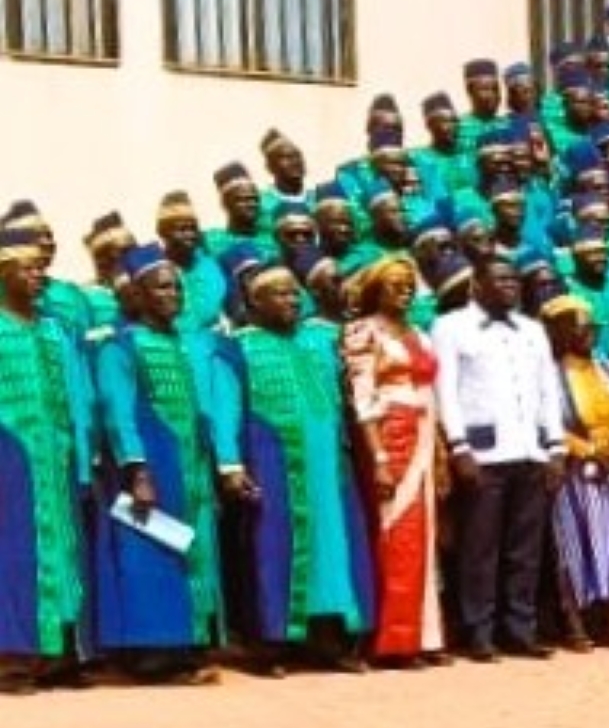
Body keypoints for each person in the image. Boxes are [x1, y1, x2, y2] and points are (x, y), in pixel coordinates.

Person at [211, 263, 374, 672]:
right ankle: (272, 647)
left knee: (333, 551)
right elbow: (224, 409)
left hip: (328, 465)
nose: (291, 300)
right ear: (255, 302)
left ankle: (329, 642)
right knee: (272, 552)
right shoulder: (237, 347)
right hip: (272, 461)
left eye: (294, 293)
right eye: (280, 293)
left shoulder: (319, 340)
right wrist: (230, 465)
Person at [89, 245, 223, 681]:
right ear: (140, 295)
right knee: (150, 552)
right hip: (150, 465)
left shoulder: (181, 342)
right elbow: (118, 412)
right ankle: (151, 654)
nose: (173, 295)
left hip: (188, 463)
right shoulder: (121, 346)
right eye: (162, 288)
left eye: (177, 287)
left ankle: (185, 645)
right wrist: (137, 470)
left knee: (189, 547)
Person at [433, 253, 565, 659]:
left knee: (524, 550)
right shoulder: (450, 327)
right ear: (477, 285)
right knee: (480, 549)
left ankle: (520, 629)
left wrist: (556, 447)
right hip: (483, 454)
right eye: (501, 279)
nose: (511, 286)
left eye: (514, 280)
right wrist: (459, 446)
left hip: (529, 450)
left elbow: (548, 390)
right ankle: (479, 631)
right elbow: (446, 391)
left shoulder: (532, 330)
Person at [338, 254, 446, 665]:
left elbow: (431, 394)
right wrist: (379, 458)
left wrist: (440, 451)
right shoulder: (364, 332)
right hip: (391, 436)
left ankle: (421, 635)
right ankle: (392, 640)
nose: (405, 291)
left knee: (423, 537)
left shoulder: (419, 332)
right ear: (375, 290)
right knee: (396, 535)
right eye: (395, 285)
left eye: (409, 285)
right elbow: (363, 400)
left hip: (424, 434)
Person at [0, 219, 94, 690]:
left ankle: (57, 654)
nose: (39, 275)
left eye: (41, 268)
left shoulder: (55, 331)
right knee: (12, 554)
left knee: (61, 551)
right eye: (28, 268)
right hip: (9, 456)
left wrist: (82, 457)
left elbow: (76, 398)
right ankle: (11, 657)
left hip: (54, 461)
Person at [543, 294, 609, 648]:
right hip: (575, 469)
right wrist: (589, 451)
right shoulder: (550, 376)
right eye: (581, 328)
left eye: (593, 328)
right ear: (560, 332)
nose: (590, 334)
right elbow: (548, 423)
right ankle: (576, 623)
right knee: (576, 544)